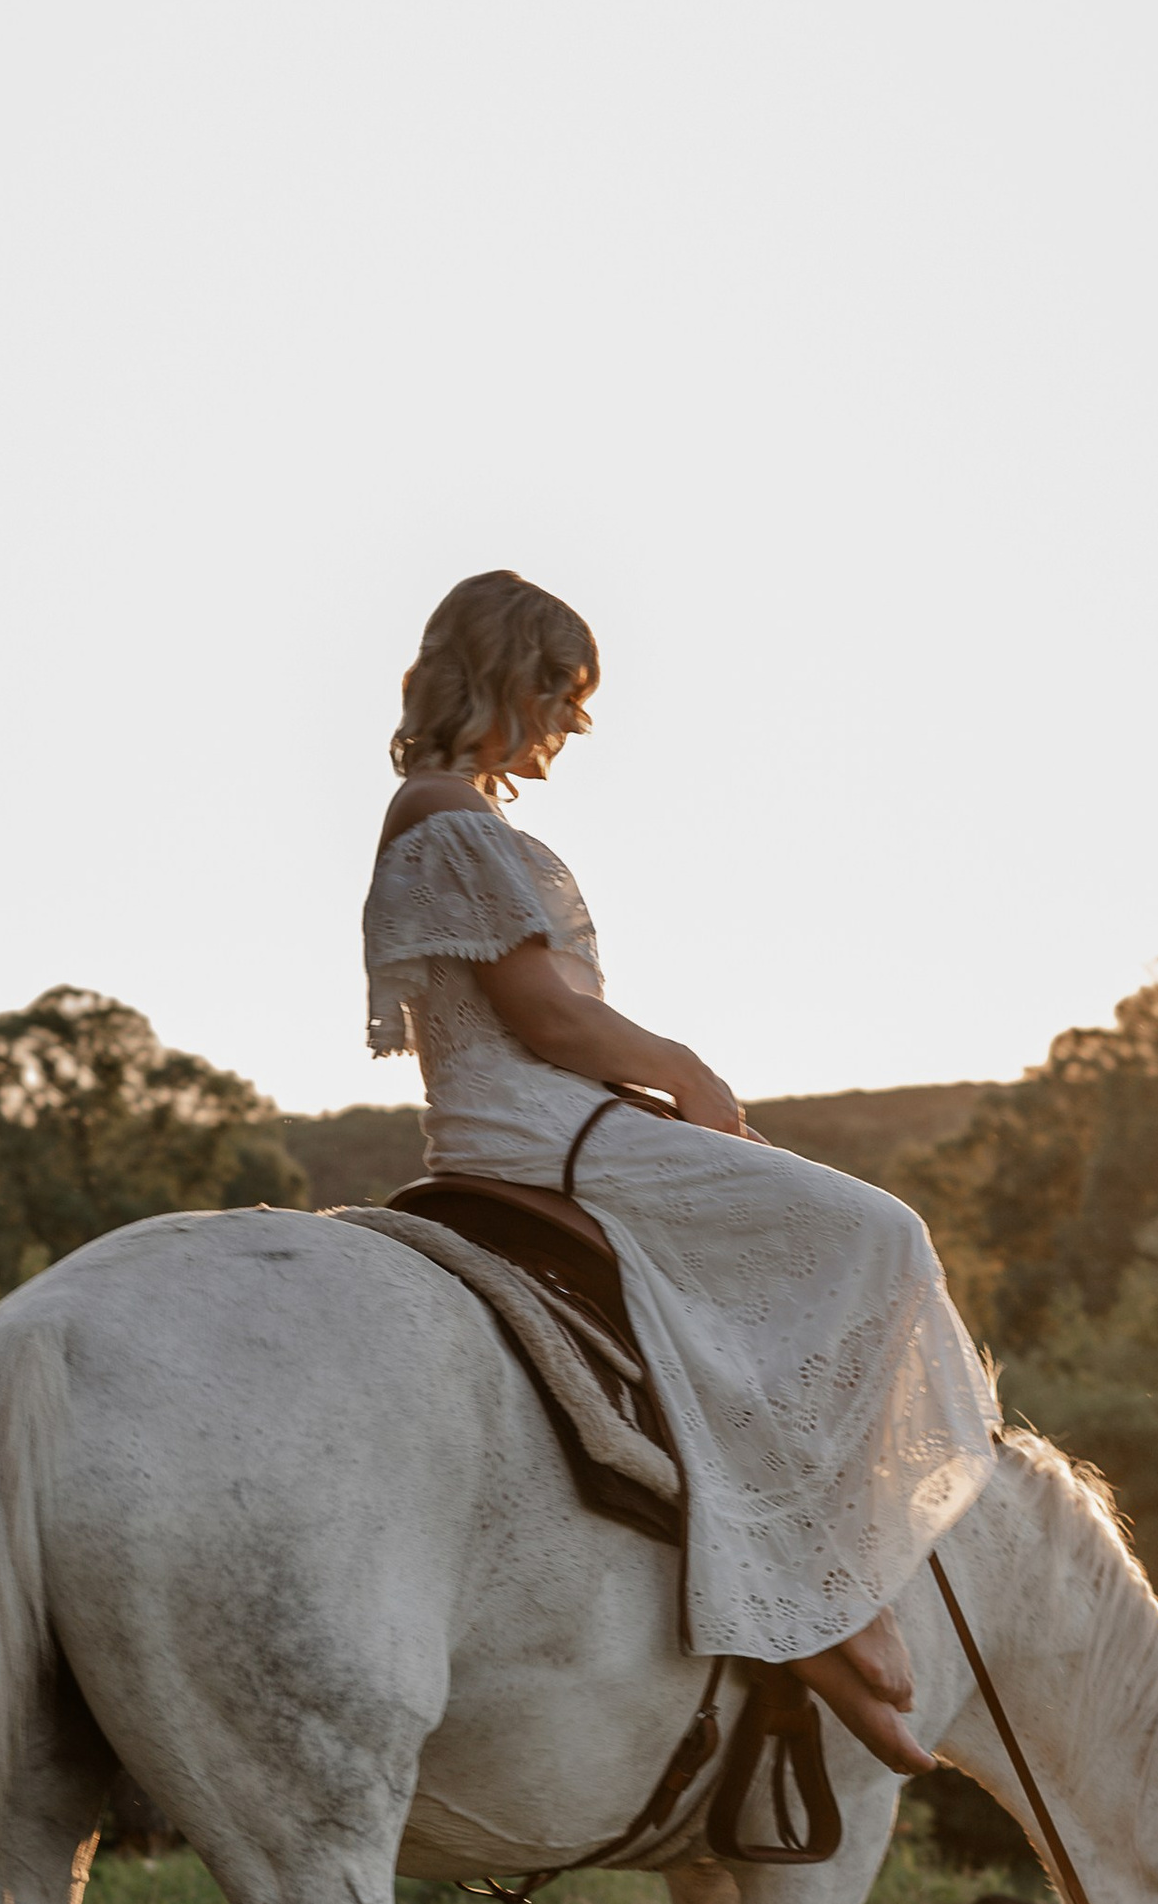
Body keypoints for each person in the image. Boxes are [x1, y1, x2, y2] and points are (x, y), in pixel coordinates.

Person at [361, 567, 995, 1775]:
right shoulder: (450, 817)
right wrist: (686, 1073)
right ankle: (823, 1583)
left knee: (748, 1294)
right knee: (877, 1235)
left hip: (535, 1116)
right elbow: (545, 1015)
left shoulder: (445, 810)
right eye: (560, 688)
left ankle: (797, 1584)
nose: (574, 718)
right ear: (501, 676)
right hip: (540, 1123)